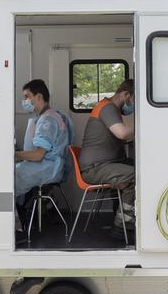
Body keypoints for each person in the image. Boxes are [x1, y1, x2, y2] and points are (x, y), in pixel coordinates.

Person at [14, 79, 74, 236]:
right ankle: (23, 218)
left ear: (39, 97)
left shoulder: (47, 121)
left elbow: (39, 154)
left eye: (27, 96)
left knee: (9, 177)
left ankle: (17, 227)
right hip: (52, 165)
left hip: (47, 167)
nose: (25, 101)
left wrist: (13, 155)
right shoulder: (52, 115)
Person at [78, 79, 136, 239]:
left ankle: (125, 218)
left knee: (142, 167)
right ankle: (122, 227)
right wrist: (144, 126)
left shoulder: (112, 109)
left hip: (105, 164)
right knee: (137, 176)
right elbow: (122, 133)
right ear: (126, 95)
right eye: (134, 101)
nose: (133, 107)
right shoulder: (107, 108)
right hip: (95, 168)